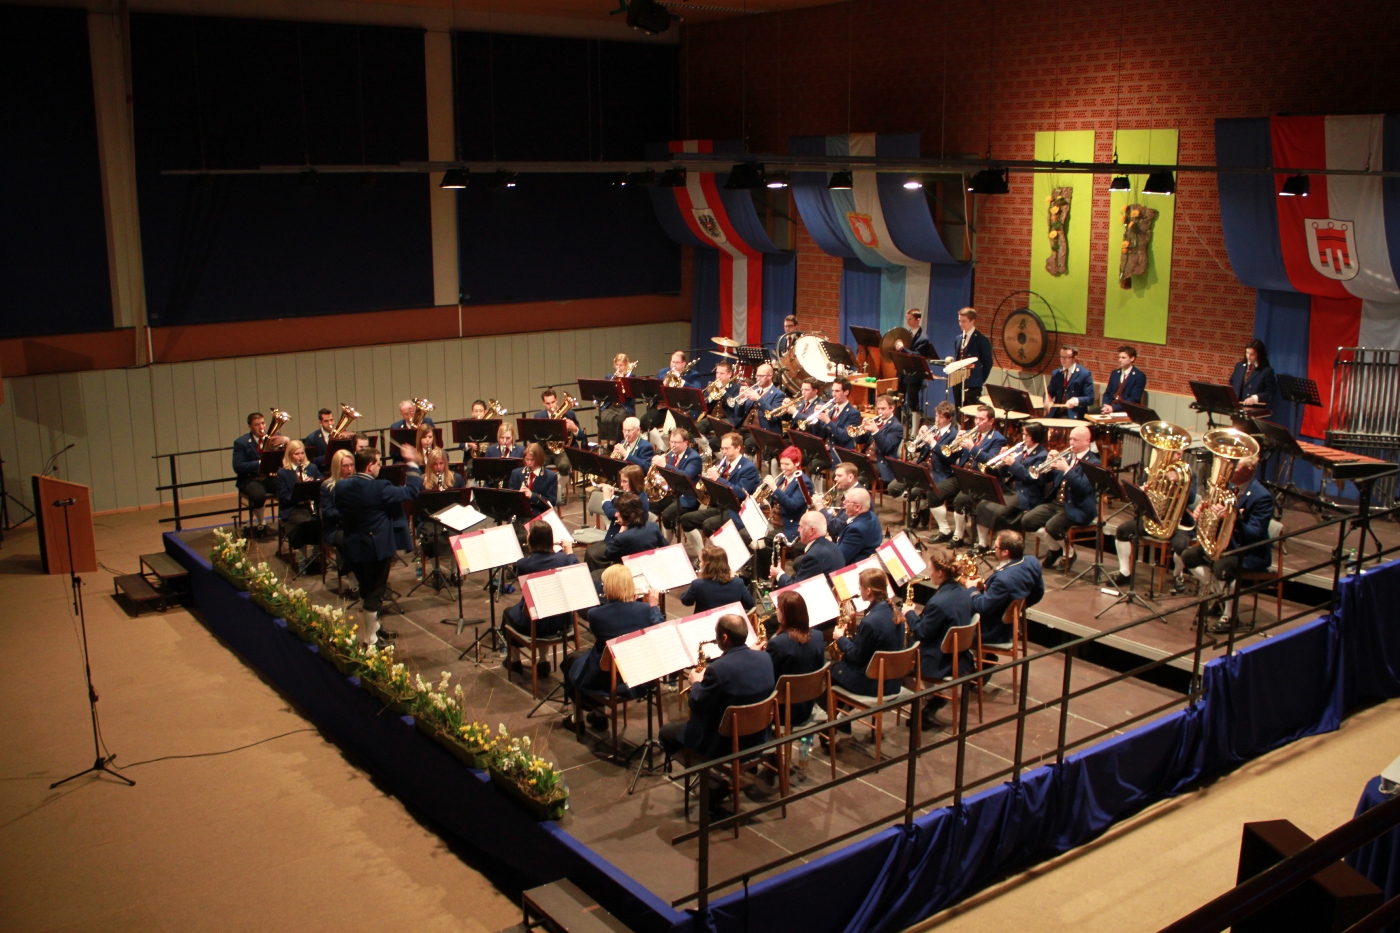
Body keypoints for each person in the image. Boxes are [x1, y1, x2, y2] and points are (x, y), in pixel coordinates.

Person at [334, 444, 423, 645]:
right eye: (377, 463)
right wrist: (411, 463)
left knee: (365, 589)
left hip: (353, 545)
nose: (379, 467)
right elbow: (411, 491)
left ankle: (375, 628)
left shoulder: (341, 486)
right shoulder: (380, 487)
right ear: (369, 466)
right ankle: (371, 638)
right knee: (375, 592)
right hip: (376, 548)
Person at [660, 614, 776, 763]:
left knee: (666, 733)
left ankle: (704, 772)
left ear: (725, 638)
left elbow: (697, 704)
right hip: (759, 737)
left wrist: (696, 682)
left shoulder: (717, 670)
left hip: (727, 746)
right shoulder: (765, 658)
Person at [1181, 454, 1274, 632]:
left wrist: (1232, 518)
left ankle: (1230, 617)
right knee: (1189, 556)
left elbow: (1254, 534)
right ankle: (1220, 597)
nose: (1229, 471)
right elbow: (1215, 516)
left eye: (1235, 468)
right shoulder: (1229, 488)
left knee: (1221, 567)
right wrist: (1204, 512)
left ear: (1248, 471)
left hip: (1250, 551)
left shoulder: (1262, 497)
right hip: (1226, 546)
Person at [564, 565, 664, 730]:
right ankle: (598, 715)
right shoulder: (645, 610)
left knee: (572, 660)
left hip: (606, 678)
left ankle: (580, 719)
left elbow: (600, 633)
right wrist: (653, 605)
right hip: (637, 675)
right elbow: (659, 628)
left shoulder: (595, 614)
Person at [905, 548, 974, 726]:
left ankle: (929, 698)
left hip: (939, 661)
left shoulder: (939, 602)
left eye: (931, 570)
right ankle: (931, 698)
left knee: (896, 663)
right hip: (960, 655)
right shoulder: (963, 592)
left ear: (940, 573)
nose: (929, 574)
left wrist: (909, 614)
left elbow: (922, 632)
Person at [502, 522, 578, 677]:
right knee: (548, 608)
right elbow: (576, 572)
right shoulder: (563, 559)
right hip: (562, 622)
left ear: (531, 540)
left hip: (535, 625)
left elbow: (524, 589)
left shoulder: (524, 564)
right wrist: (569, 552)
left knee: (507, 614)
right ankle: (543, 661)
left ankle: (514, 660)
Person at [1021, 426, 1099, 572]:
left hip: (1078, 507)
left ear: (1087, 441)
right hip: (1056, 503)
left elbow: (1084, 488)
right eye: (1070, 439)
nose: (1071, 443)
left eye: (1075, 440)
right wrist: (1048, 464)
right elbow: (1045, 479)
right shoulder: (1068, 457)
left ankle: (1069, 554)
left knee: (1052, 527)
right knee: (1028, 520)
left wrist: (1067, 470)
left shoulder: (1093, 462)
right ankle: (1055, 548)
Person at [1111, 460, 1197, 590]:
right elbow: (1140, 490)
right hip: (1153, 519)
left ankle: (1177, 574)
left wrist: (1178, 481)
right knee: (1122, 530)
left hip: (1178, 523)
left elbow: (1191, 498)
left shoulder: (1188, 474)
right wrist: (1142, 491)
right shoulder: (1153, 469)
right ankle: (1124, 571)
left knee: (1180, 545)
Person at [973, 422, 1051, 553]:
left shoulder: (1042, 455)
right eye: (1023, 434)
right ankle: (983, 544)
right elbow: (1004, 474)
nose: (1024, 437)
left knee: (1000, 513)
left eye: (1027, 435)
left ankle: (1006, 545)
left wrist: (1013, 464)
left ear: (1035, 436)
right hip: (1010, 488)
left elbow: (1030, 477)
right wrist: (1003, 461)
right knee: (982, 506)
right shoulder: (1020, 450)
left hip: (1026, 492)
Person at [830, 569, 903, 698]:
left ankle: (830, 709)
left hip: (874, 685)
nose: (859, 590)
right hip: (892, 682)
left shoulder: (870, 622)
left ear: (868, 591)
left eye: (860, 587)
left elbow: (856, 655)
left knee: (831, 670)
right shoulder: (896, 611)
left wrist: (840, 638)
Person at [681, 431, 760, 551]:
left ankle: (723, 556)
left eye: (727, 448)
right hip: (721, 507)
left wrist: (718, 479)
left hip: (737, 511)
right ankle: (701, 554)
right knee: (686, 519)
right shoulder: (724, 464)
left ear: (738, 448)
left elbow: (740, 492)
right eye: (722, 449)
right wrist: (709, 482)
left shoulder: (748, 468)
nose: (724, 452)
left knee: (709, 525)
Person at [890, 401, 959, 534]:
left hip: (938, 472)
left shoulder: (953, 435)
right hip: (922, 466)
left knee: (914, 491)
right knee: (893, 488)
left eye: (941, 417)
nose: (937, 420)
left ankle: (916, 513)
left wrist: (933, 443)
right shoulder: (932, 429)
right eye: (936, 416)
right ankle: (921, 508)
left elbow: (949, 458)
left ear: (950, 418)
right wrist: (919, 437)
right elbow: (916, 449)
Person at [943, 405, 1006, 547]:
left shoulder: (998, 439)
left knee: (960, 500)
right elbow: (954, 455)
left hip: (982, 479)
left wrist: (972, 447)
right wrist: (955, 443)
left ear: (991, 421)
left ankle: (966, 538)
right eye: (976, 418)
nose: (977, 422)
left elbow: (990, 461)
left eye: (981, 419)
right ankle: (954, 533)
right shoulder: (970, 433)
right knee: (938, 490)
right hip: (964, 475)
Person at [970, 530, 1044, 650]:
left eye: (996, 547)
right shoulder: (1032, 561)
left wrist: (972, 588)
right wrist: (1016, 606)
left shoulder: (1003, 580)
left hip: (991, 632)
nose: (993, 549)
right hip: (1008, 624)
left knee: (948, 620)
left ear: (1005, 552)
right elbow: (1038, 593)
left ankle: (966, 659)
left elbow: (982, 606)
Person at [766, 590, 826, 727]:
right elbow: (818, 667)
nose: (776, 612)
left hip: (781, 712)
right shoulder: (818, 637)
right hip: (807, 705)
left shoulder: (777, 644)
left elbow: (768, 679)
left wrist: (759, 657)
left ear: (786, 615)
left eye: (778, 609)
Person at [233, 411, 288, 537]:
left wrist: (287, 441)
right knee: (258, 496)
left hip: (270, 476)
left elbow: (286, 457)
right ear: (250, 427)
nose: (261, 427)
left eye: (263, 423)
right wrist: (259, 463)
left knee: (286, 489)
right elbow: (238, 466)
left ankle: (284, 521)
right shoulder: (241, 443)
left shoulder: (274, 438)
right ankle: (261, 523)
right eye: (257, 424)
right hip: (251, 479)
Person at [585, 475, 655, 572]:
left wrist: (606, 499)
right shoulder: (631, 496)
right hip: (621, 537)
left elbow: (612, 514)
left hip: (624, 542)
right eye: (621, 481)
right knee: (591, 552)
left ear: (634, 481)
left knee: (592, 554)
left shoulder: (636, 499)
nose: (621, 484)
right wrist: (612, 497)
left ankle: (602, 577)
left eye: (625, 481)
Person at [589, 492, 666, 574]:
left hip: (627, 573)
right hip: (648, 568)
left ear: (625, 515)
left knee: (594, 575)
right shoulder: (653, 526)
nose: (616, 514)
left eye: (618, 512)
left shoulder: (622, 537)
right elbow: (665, 546)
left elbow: (609, 553)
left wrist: (620, 533)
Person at [275, 440, 323, 571]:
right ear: (290, 455)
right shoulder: (283, 473)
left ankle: (316, 556)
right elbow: (283, 497)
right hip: (293, 508)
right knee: (304, 523)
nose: (300, 456)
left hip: (311, 506)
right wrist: (299, 492)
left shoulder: (312, 468)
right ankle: (303, 558)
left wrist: (313, 484)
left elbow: (321, 483)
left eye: (302, 453)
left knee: (321, 520)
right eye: (297, 454)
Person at [650, 428, 703, 538]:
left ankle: (666, 543)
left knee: (667, 515)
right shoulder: (671, 455)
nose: (672, 445)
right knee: (648, 504)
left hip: (687, 497)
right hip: (671, 493)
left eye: (676, 442)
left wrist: (664, 465)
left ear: (685, 443)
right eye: (671, 442)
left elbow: (686, 475)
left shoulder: (694, 458)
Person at [770, 512, 845, 588]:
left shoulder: (814, 556)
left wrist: (779, 574)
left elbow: (796, 588)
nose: (798, 530)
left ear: (811, 531)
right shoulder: (832, 545)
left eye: (801, 527)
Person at [680, 544, 756, 613]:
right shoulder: (738, 583)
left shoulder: (698, 584)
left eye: (700, 561)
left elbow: (686, 601)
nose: (699, 565)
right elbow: (750, 604)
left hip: (707, 622)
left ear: (707, 565)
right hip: (729, 622)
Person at [320, 448, 356, 588]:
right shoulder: (327, 486)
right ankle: (353, 580)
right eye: (345, 466)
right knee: (350, 540)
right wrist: (347, 513)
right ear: (337, 467)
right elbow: (328, 512)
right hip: (336, 528)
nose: (349, 469)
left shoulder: (357, 482)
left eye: (351, 465)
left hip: (356, 524)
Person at [893, 308, 936, 418]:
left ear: (918, 320)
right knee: (898, 401)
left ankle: (914, 427)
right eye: (907, 319)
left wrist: (903, 349)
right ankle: (898, 423)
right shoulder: (906, 334)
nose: (908, 322)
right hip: (902, 374)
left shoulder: (923, 338)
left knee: (913, 402)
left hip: (914, 376)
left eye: (910, 319)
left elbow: (917, 355)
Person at [534, 387, 584, 478]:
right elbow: (534, 439)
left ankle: (559, 486)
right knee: (536, 465)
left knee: (564, 466)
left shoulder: (569, 414)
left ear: (556, 400)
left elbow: (581, 436)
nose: (551, 406)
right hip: (546, 451)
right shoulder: (539, 416)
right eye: (548, 403)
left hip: (563, 451)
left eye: (553, 402)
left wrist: (574, 428)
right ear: (543, 403)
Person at [768, 446, 813, 542]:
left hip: (788, 526)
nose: (783, 467)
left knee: (761, 537)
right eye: (781, 463)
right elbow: (774, 501)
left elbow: (793, 505)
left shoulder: (804, 482)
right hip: (774, 521)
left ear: (797, 463)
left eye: (787, 464)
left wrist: (775, 489)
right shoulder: (784, 477)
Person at [952, 307, 994, 409]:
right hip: (958, 382)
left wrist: (979, 380)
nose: (961, 324)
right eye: (959, 321)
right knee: (959, 410)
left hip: (973, 384)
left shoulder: (981, 340)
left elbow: (988, 363)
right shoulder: (958, 339)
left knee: (970, 411)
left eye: (964, 321)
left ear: (972, 321)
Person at [735, 362, 789, 437]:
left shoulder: (779, 394)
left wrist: (759, 399)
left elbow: (774, 417)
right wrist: (741, 400)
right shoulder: (753, 389)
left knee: (748, 442)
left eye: (761, 376)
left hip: (762, 432)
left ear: (770, 376)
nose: (758, 379)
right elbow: (738, 414)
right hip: (743, 429)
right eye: (757, 376)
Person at [861, 395, 905, 484]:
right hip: (866, 459)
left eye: (883, 409)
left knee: (859, 477)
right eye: (878, 409)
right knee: (845, 470)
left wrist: (875, 431)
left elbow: (886, 447)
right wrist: (862, 429)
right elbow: (859, 441)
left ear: (892, 408)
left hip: (881, 463)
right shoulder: (877, 421)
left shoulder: (896, 427)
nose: (880, 412)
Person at [697, 359, 742, 443]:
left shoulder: (736, 388)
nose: (718, 376)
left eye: (721, 373)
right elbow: (705, 404)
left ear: (729, 374)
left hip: (727, 419)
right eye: (717, 373)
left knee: (718, 439)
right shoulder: (711, 385)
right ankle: (705, 448)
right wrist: (711, 396)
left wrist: (723, 392)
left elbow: (733, 406)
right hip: (712, 417)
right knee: (696, 429)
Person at [509, 443, 558, 520]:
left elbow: (551, 502)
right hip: (520, 515)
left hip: (539, 514)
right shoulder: (516, 473)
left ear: (539, 459)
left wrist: (532, 496)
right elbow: (510, 498)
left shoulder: (550, 477)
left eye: (532, 460)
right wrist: (518, 495)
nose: (529, 463)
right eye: (527, 459)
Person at [1044, 347, 1095, 420]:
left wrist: (1075, 401)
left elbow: (1090, 398)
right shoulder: (1056, 373)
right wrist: (1047, 399)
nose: (1063, 360)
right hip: (1056, 413)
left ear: (1074, 358)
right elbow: (1049, 392)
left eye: (1066, 357)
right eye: (1061, 357)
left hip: (1074, 415)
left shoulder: (1084, 374)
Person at [813, 378, 863, 451]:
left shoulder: (853, 413)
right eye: (833, 390)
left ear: (846, 392)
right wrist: (817, 418)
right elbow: (818, 433)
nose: (833, 394)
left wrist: (828, 421)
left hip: (840, 452)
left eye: (837, 391)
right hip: (826, 449)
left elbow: (845, 436)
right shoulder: (830, 408)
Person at [599, 353, 637, 445]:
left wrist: (624, 381)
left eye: (621, 365)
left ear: (626, 365)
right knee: (602, 418)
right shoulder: (609, 377)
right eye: (617, 365)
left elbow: (631, 397)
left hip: (625, 407)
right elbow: (606, 393)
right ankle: (610, 443)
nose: (618, 368)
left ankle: (618, 443)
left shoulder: (631, 377)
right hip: (612, 406)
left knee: (619, 420)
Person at [1229, 338, 1279, 407]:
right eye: (1247, 353)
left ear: (1259, 354)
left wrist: (1255, 398)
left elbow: (1270, 391)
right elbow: (1232, 382)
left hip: (1253, 408)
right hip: (1237, 406)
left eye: (1252, 354)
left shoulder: (1266, 371)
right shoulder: (1239, 366)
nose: (1248, 357)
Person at [836, 488, 881, 563]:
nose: (844, 503)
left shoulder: (856, 530)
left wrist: (829, 545)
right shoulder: (872, 515)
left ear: (857, 507)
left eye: (847, 501)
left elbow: (839, 559)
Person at [820, 463, 863, 540]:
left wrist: (820, 508)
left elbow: (836, 527)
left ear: (850, 477)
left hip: (848, 540)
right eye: (835, 475)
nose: (835, 479)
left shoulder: (857, 497)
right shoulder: (852, 491)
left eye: (839, 476)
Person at [1101, 346, 1147, 413]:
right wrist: (1106, 405)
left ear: (1132, 358)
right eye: (1119, 357)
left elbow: (1134, 399)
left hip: (1125, 410)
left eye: (1123, 358)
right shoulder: (1115, 373)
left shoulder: (1139, 376)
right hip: (1109, 406)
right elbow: (1107, 393)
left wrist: (1113, 408)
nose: (1120, 360)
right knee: (1089, 415)